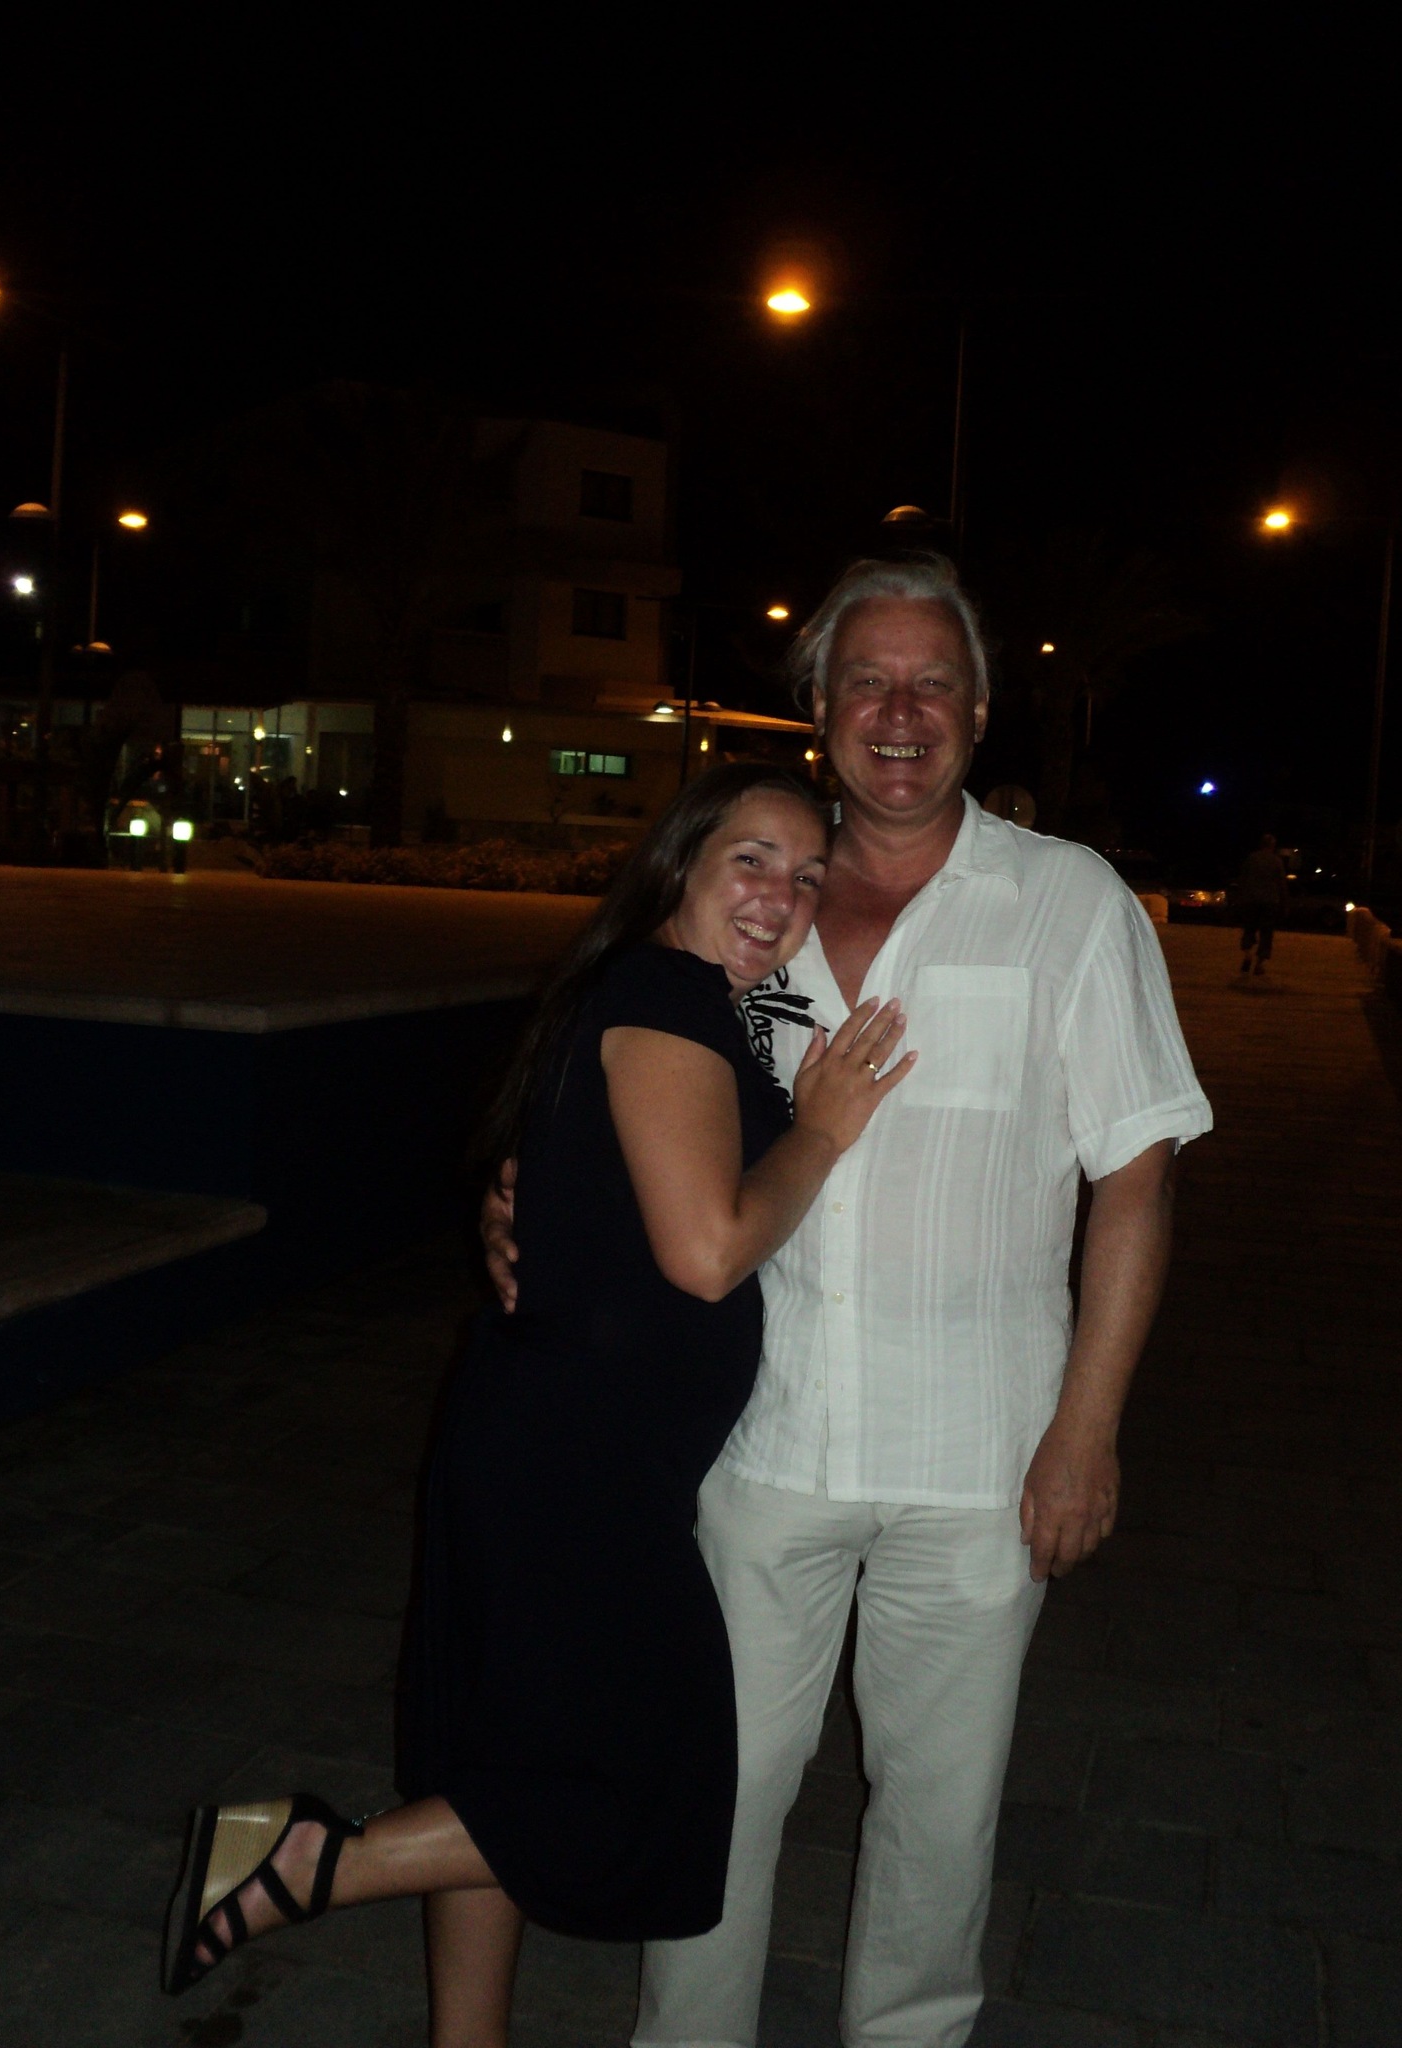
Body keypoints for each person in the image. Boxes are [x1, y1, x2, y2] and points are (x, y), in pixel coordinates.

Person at [484, 555, 1213, 2048]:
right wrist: (525, 1211)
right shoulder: (753, 905)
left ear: (982, 710)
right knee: (719, 1791)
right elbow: (624, 1087)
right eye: (868, 680)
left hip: (980, 1457)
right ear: (817, 703)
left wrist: (1086, 1432)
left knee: (939, 1817)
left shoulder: (1067, 902)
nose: (900, 711)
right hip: (757, 1439)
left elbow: (1136, 1181)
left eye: (934, 682)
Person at [160, 761, 915, 2048]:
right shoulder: (666, 998)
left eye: (804, 875)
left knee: (499, 1767)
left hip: (548, 1442)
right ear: (679, 861)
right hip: (582, 1467)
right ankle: (307, 1861)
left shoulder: (661, 999)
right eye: (750, 858)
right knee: (655, 1778)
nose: (780, 896)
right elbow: (708, 1251)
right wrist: (826, 1128)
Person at [1236, 830, 1287, 974]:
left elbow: (1243, 879)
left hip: (1252, 899)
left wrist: (1241, 897)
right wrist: (1284, 903)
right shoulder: (1276, 861)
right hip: (1270, 901)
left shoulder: (1252, 858)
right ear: (1272, 846)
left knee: (1249, 928)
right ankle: (1259, 963)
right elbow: (1281, 884)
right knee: (1266, 933)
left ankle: (1248, 955)